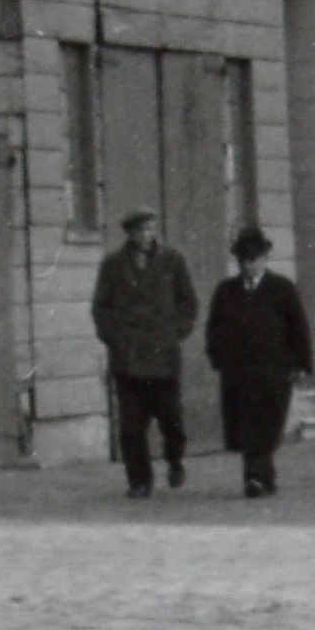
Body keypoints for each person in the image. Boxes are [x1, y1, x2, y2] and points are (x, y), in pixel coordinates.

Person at [91, 209, 200, 497]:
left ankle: (175, 460)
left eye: (151, 229)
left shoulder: (172, 261)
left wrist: (174, 332)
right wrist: (115, 338)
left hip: (163, 355)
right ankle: (139, 481)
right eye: (141, 230)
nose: (146, 235)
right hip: (129, 357)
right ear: (130, 233)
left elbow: (188, 303)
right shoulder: (113, 264)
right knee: (131, 426)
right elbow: (100, 308)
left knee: (171, 420)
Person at [203, 227, 313, 498]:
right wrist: (219, 359)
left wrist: (301, 365)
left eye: (253, 260)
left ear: (264, 259)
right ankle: (256, 477)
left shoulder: (282, 289)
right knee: (247, 425)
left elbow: (298, 328)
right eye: (242, 261)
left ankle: (261, 476)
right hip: (238, 372)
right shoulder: (226, 291)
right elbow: (214, 329)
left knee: (270, 423)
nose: (247, 266)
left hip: (275, 370)